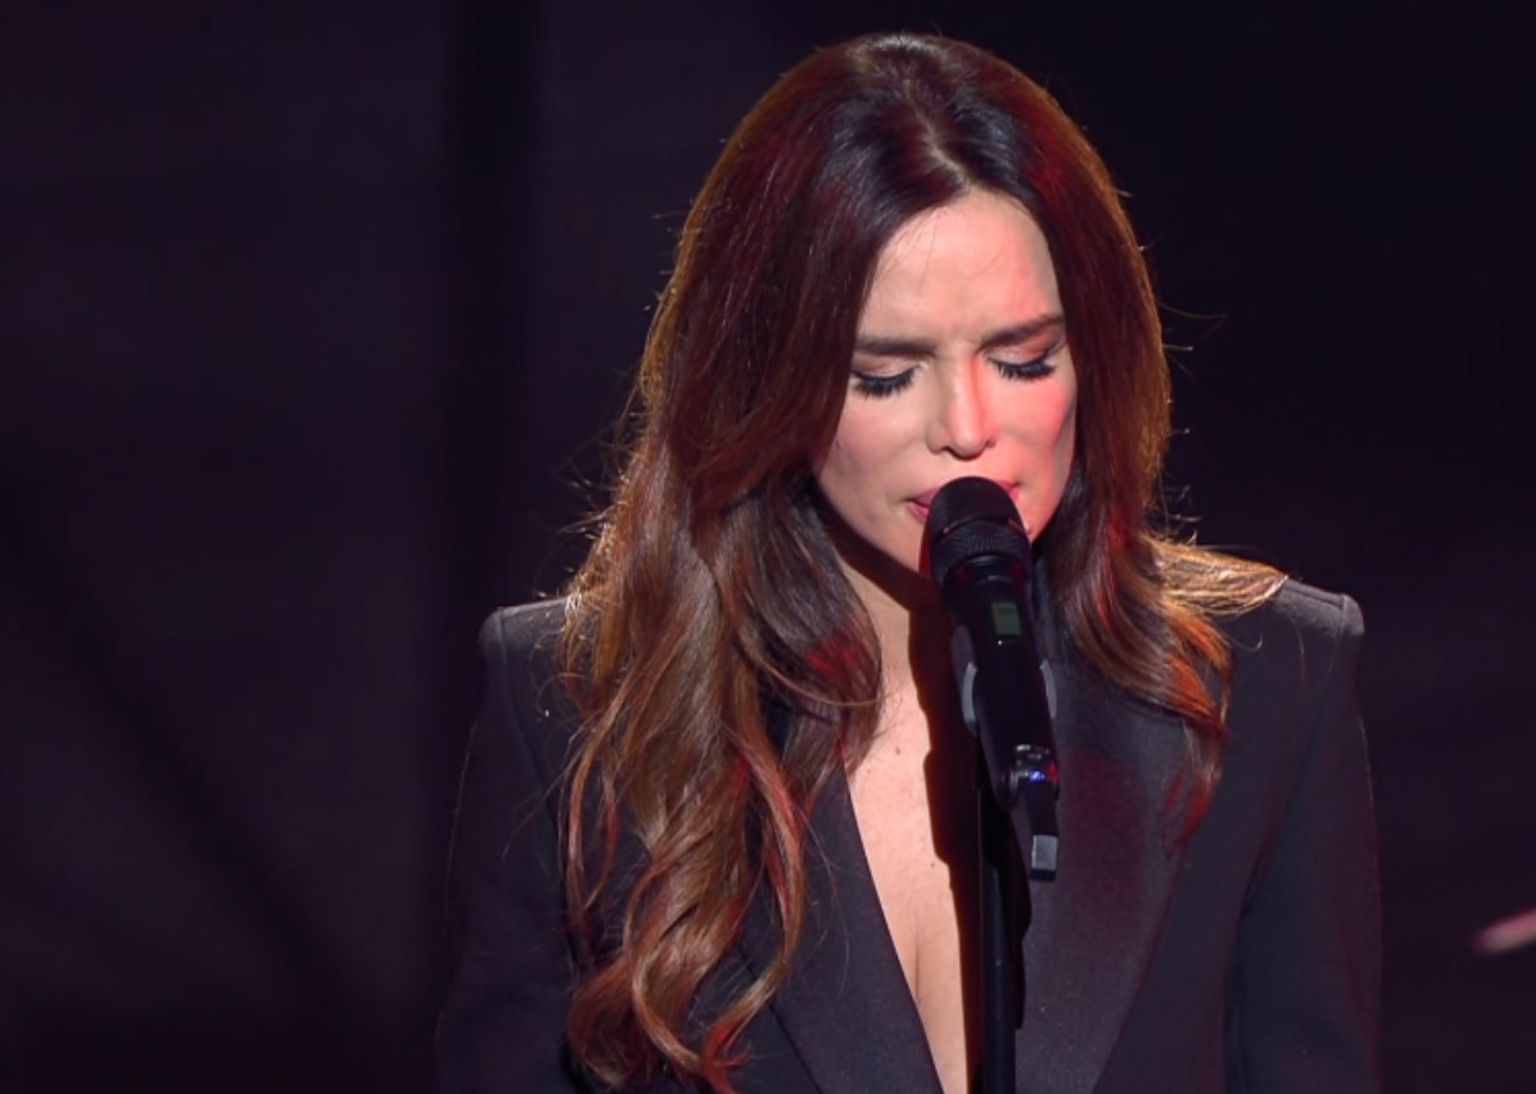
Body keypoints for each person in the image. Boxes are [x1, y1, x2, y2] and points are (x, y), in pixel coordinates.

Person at [434, 31, 1381, 1094]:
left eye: (1024, 359)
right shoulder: (576, 711)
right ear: (768, 383)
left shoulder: (1273, 683)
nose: (968, 427)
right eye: (887, 375)